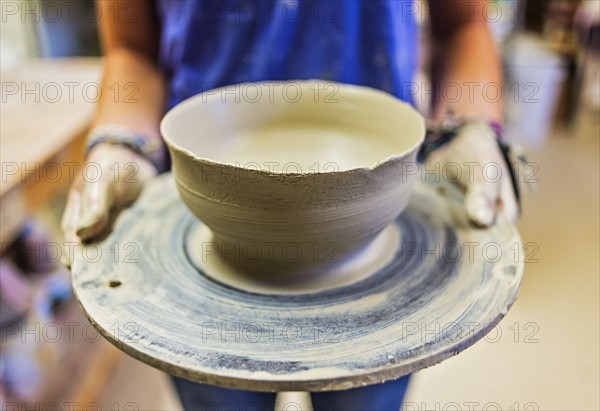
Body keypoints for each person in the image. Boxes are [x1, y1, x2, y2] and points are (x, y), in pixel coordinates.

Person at [62, 1, 519, 409]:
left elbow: (462, 24)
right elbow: (133, 49)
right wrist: (121, 144)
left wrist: (472, 128)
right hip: (205, 242)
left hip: (378, 239)